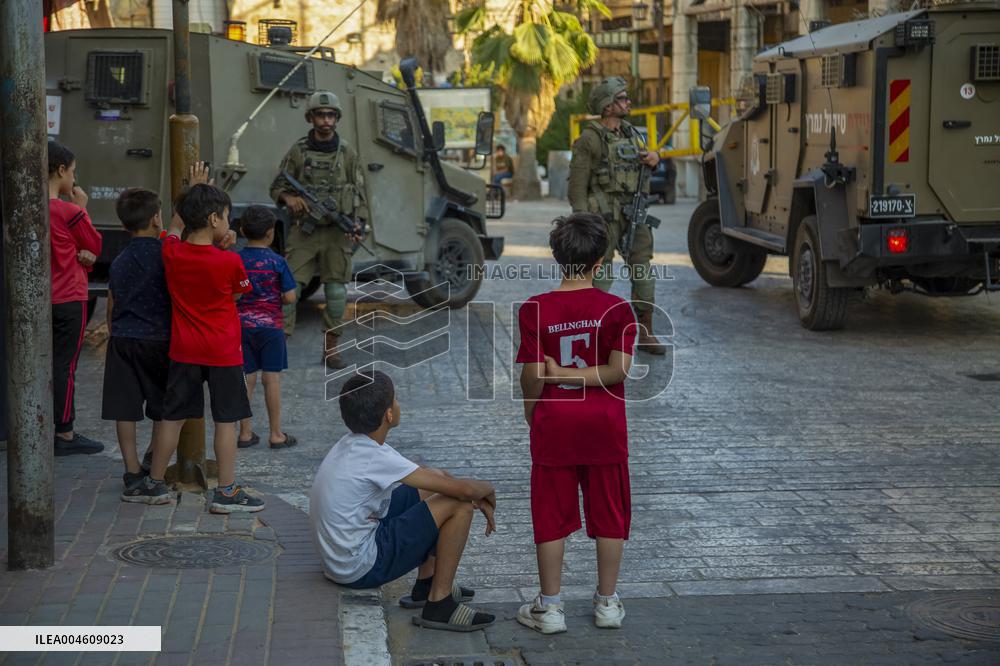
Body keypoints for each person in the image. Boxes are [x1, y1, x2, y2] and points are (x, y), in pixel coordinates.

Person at [515, 213, 637, 634]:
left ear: (557, 258)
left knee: (550, 515)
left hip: (556, 424)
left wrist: (536, 406)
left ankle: (550, 608)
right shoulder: (619, 309)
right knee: (609, 513)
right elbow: (618, 372)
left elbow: (531, 373)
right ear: (600, 262)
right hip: (604, 426)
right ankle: (607, 602)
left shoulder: (535, 309)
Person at [311, 370, 497, 632]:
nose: (398, 406)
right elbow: (464, 492)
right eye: (395, 400)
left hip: (340, 559)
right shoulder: (373, 457)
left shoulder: (353, 444)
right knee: (459, 505)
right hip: (359, 567)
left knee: (436, 480)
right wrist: (489, 490)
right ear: (388, 414)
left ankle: (427, 583)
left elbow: (432, 477)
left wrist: (461, 488)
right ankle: (440, 604)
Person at [127, 184, 264, 514]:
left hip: (184, 351)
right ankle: (226, 491)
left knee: (172, 420)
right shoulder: (230, 262)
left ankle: (155, 484)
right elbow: (236, 296)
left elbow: (173, 229)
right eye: (227, 218)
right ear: (215, 218)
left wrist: (184, 200)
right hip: (223, 351)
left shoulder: (171, 252)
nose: (229, 224)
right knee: (226, 422)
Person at [270, 90, 368, 370]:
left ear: (336, 118)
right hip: (305, 231)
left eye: (330, 115)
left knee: (336, 293)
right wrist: (290, 199)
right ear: (311, 117)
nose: (325, 120)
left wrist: (357, 223)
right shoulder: (298, 152)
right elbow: (276, 186)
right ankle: (278, 347)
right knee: (289, 290)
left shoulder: (346, 152)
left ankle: (331, 350)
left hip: (337, 232)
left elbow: (360, 190)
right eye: (320, 114)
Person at [568, 77, 667, 356]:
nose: (628, 102)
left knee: (643, 270)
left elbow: (645, 164)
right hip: (603, 217)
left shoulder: (632, 134)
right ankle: (592, 336)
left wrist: (654, 157)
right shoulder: (589, 139)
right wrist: (582, 223)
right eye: (622, 98)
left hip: (634, 214)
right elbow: (576, 186)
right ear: (608, 106)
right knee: (600, 273)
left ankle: (646, 332)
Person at [103, 187, 170, 496]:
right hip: (159, 339)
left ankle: (131, 471)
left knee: (124, 408)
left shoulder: (118, 260)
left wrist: (113, 330)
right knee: (161, 407)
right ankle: (153, 459)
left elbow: (111, 303)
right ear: (157, 218)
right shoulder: (165, 255)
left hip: (122, 340)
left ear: (123, 225)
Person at [47, 141, 105, 456]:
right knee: (65, 365)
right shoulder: (69, 210)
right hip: (69, 295)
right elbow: (94, 243)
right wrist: (82, 206)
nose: (74, 178)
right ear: (60, 171)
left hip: (39, 297)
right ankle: (65, 432)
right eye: (73, 172)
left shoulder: (28, 206)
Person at [236, 206, 298, 450]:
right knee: (271, 379)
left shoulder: (236, 259)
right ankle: (275, 434)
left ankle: (245, 433)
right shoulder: (277, 261)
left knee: (246, 378)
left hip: (242, 327)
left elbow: (235, 293)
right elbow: (290, 297)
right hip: (271, 328)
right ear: (271, 233)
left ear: (242, 230)